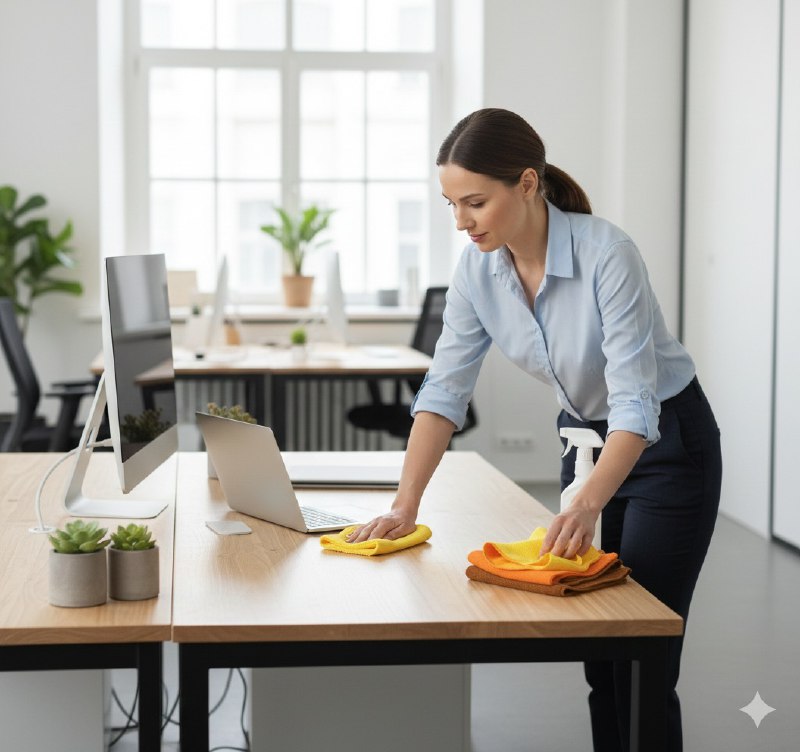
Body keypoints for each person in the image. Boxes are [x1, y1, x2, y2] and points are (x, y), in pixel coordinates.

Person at [348, 107, 721, 752]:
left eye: (475, 202)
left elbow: (636, 405)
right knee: (599, 651)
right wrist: (405, 505)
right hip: (584, 440)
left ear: (526, 183)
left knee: (643, 646)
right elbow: (442, 392)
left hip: (666, 447)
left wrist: (587, 501)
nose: (461, 221)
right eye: (451, 204)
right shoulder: (477, 271)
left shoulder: (608, 253)